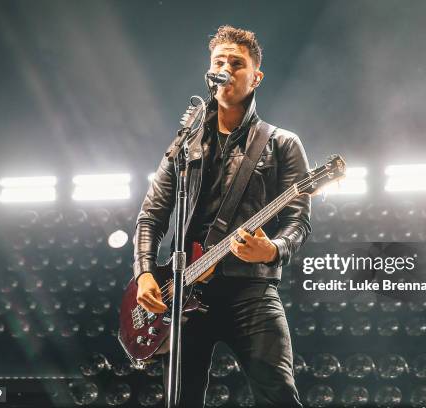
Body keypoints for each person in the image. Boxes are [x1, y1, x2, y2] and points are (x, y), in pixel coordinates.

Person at [133, 25, 311, 407]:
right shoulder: (184, 144)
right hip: (184, 291)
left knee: (278, 394)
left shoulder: (282, 143)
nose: (226, 68)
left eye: (237, 63)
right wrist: (145, 271)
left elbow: (299, 222)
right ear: (209, 72)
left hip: (253, 290)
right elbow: (151, 215)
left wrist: (273, 250)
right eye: (219, 62)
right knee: (180, 399)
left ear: (256, 77)